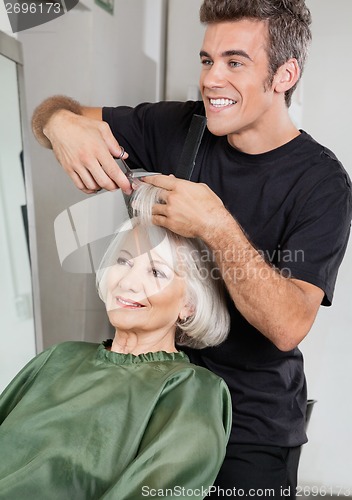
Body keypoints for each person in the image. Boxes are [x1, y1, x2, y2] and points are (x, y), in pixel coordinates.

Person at [31, 0, 352, 497]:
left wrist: (215, 225)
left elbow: (289, 325)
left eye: (235, 62)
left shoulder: (322, 184)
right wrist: (60, 126)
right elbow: (55, 110)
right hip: (150, 398)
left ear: (285, 74)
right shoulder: (178, 127)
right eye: (207, 60)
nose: (211, 80)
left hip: (249, 427)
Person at [0, 183, 232, 500]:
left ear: (188, 304)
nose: (128, 281)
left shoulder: (191, 392)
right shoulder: (58, 358)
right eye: (123, 261)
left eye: (156, 272)